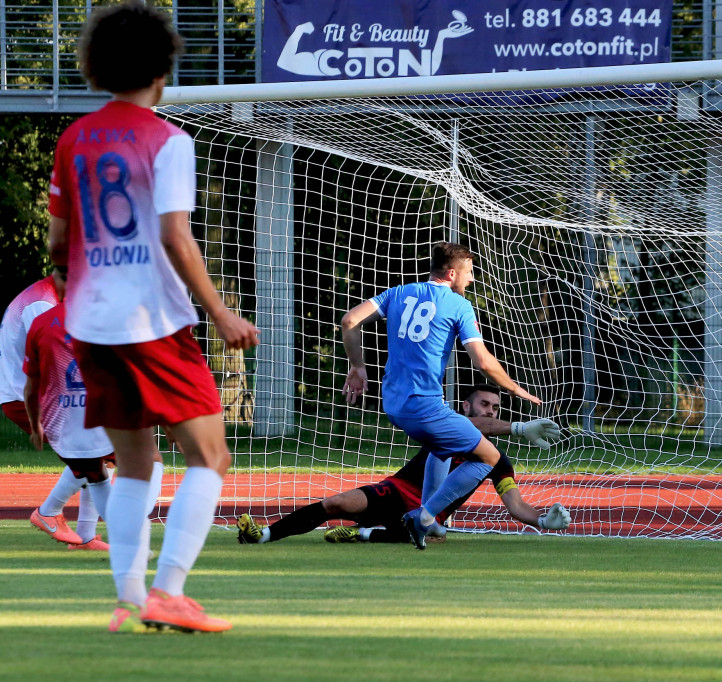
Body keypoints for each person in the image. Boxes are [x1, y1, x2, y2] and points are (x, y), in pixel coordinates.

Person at [48, 1, 258, 634]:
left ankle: (129, 599)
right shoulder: (169, 140)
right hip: (152, 322)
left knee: (135, 464)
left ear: (95, 67)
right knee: (211, 457)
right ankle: (169, 592)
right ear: (165, 67)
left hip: (88, 321)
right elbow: (174, 235)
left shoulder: (73, 138)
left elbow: (59, 243)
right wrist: (220, 312)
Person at [341, 241, 543, 550]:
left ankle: (428, 524)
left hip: (393, 405)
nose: (472, 280)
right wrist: (515, 388)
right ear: (451, 274)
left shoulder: (397, 293)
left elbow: (349, 320)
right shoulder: (458, 305)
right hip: (425, 407)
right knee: (488, 457)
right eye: (470, 273)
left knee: (442, 446)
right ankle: (425, 516)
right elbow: (483, 362)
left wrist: (357, 366)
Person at [235, 384, 569, 545]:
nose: (490, 411)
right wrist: (518, 428)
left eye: (496, 407)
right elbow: (474, 429)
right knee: (337, 502)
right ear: (466, 406)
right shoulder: (449, 422)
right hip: (397, 490)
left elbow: (516, 507)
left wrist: (542, 520)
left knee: (429, 529)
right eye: (484, 404)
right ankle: (263, 534)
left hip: (428, 512)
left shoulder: (498, 461)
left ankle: (365, 534)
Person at [1, 269, 106, 547]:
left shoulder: (47, 297)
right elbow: (53, 357)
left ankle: (83, 536)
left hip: (40, 393)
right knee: (99, 449)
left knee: (99, 450)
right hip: (28, 397)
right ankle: (49, 512)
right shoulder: (42, 304)